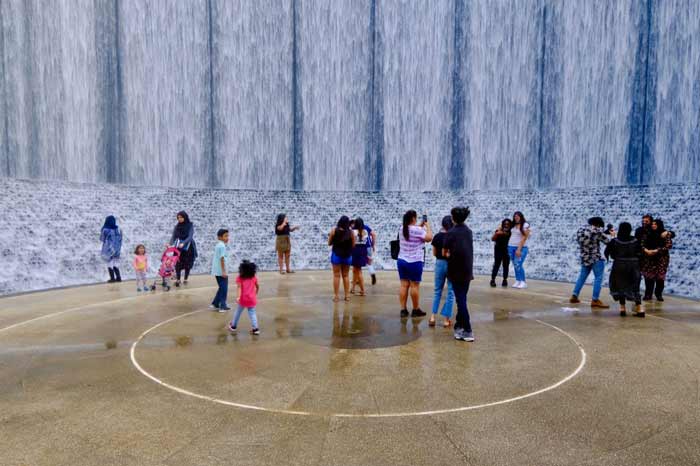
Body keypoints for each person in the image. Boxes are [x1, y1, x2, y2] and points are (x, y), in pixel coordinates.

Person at [443, 207, 474, 342]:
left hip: (455, 270)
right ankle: (459, 326)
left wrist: (450, 254)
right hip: (467, 271)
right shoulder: (468, 231)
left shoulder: (451, 233)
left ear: (453, 218)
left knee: (460, 300)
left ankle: (467, 330)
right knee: (462, 299)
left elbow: (445, 252)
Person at [569, 217, 612, 309]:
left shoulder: (581, 229)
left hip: (584, 257)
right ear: (598, 224)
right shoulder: (597, 231)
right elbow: (608, 242)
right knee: (598, 278)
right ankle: (595, 300)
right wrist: (612, 235)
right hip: (595, 258)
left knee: (582, 277)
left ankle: (574, 295)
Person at [397, 210, 433, 318]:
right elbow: (429, 238)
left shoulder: (401, 228)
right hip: (415, 261)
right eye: (416, 218)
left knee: (404, 285)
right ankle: (415, 309)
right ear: (413, 218)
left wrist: (420, 226)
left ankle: (403, 310)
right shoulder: (417, 230)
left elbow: (412, 230)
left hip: (402, 260)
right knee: (414, 286)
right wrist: (427, 226)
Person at [605, 222, 644, 317]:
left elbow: (608, 253)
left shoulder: (615, 241)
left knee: (620, 286)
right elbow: (641, 253)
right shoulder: (635, 240)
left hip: (619, 264)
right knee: (635, 286)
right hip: (634, 265)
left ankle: (622, 309)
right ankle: (640, 309)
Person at [429, 215, 454, 328]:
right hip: (450, 264)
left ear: (442, 224)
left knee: (437, 291)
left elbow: (434, 253)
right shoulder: (453, 236)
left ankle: (433, 317)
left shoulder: (437, 236)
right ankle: (446, 320)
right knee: (450, 292)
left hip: (439, 263)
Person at [641, 219, 673, 301]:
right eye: (652, 224)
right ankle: (648, 294)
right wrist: (646, 250)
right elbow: (642, 244)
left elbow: (668, 245)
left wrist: (657, 250)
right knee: (649, 277)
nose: (653, 225)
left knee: (660, 278)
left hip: (661, 259)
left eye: (655, 224)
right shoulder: (647, 233)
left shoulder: (665, 234)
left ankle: (658, 294)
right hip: (649, 258)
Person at [228, 260, 260, 335]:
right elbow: (257, 286)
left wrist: (238, 297)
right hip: (252, 299)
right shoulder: (254, 277)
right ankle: (255, 329)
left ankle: (233, 326)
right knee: (252, 313)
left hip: (243, 299)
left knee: (238, 312)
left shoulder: (240, 278)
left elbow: (239, 288)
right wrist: (256, 294)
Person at [328, 216, 355, 302]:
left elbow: (329, 243)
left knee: (336, 275)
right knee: (346, 275)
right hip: (347, 256)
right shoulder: (351, 232)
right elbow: (353, 245)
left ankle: (336, 296)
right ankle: (347, 296)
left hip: (336, 255)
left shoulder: (333, 230)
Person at [170, 211, 197, 287]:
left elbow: (190, 236)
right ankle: (178, 279)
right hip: (178, 246)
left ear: (185, 217)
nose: (179, 219)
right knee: (178, 262)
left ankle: (185, 278)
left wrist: (184, 243)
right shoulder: (177, 226)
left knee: (187, 263)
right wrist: (169, 244)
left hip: (188, 246)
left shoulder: (190, 225)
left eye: (181, 217)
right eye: (178, 218)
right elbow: (173, 237)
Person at [508, 211, 531, 289]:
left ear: (521, 217)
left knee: (518, 264)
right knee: (515, 264)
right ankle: (518, 280)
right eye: (515, 216)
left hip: (522, 247)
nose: (516, 217)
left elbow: (525, 237)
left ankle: (523, 282)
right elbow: (502, 226)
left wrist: (519, 249)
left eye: (518, 216)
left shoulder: (525, 225)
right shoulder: (513, 225)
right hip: (511, 247)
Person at [210, 229, 231, 312]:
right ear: (219, 237)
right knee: (224, 289)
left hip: (217, 270)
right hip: (221, 271)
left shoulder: (219, 245)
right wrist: (223, 271)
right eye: (225, 236)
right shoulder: (222, 246)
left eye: (228, 236)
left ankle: (215, 303)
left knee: (221, 287)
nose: (227, 238)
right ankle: (222, 306)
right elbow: (222, 259)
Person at [100, 215, 123, 283]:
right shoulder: (118, 229)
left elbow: (102, 239)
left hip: (109, 248)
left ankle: (112, 278)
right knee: (115, 263)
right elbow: (121, 239)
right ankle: (118, 277)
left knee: (109, 263)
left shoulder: (105, 230)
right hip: (117, 249)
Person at [350, 217, 369, 296]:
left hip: (355, 251)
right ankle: (353, 288)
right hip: (363, 251)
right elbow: (366, 243)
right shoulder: (365, 231)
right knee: (355, 270)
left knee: (359, 271)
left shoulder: (353, 232)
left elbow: (353, 244)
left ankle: (362, 290)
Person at [490, 218, 512, 287]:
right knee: (496, 265)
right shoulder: (498, 231)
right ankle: (493, 280)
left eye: (508, 224)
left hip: (506, 250)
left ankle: (505, 280)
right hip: (498, 249)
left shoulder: (511, 232)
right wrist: (497, 233)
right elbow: (492, 239)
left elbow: (507, 233)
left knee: (506, 265)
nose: (506, 225)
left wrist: (501, 232)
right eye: (505, 224)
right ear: (503, 225)